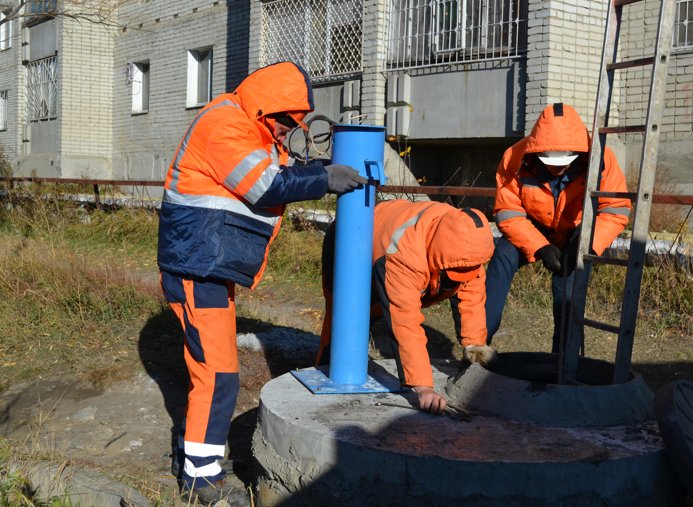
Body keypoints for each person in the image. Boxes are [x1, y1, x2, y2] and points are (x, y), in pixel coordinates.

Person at [157, 61, 366, 506]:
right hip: (197, 269)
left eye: (294, 123)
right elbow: (265, 187)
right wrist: (326, 177)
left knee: (216, 372)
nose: (287, 130)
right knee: (217, 376)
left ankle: (200, 457)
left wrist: (321, 170)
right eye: (285, 120)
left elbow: (280, 176)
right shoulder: (225, 122)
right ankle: (200, 479)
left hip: (210, 267)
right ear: (267, 107)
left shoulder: (251, 128)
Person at [318, 199, 497, 415]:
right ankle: (325, 371)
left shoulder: (469, 248)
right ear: (436, 252)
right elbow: (405, 322)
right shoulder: (404, 254)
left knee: (371, 315)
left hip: (389, 234)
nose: (457, 280)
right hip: (351, 236)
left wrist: (475, 348)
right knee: (349, 316)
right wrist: (423, 387)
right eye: (450, 274)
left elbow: (471, 297)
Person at [485, 103, 631, 353]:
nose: (558, 167)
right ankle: (478, 342)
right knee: (503, 256)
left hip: (577, 233)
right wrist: (539, 247)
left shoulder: (601, 159)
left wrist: (588, 243)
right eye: (550, 159)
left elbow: (614, 210)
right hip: (532, 228)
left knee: (568, 294)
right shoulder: (514, 158)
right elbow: (508, 212)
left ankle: (566, 358)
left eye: (565, 159)